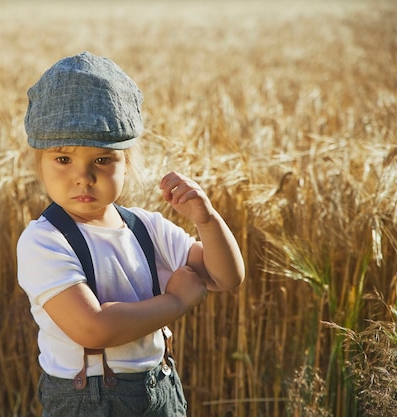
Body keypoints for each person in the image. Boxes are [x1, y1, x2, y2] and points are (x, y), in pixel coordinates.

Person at [17, 51, 245, 417]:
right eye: (63, 159)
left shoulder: (145, 226)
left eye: (102, 160)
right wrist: (176, 303)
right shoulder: (43, 241)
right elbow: (94, 329)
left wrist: (207, 220)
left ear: (128, 162)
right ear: (39, 164)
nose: (83, 176)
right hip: (88, 403)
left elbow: (225, 276)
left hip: (160, 388)